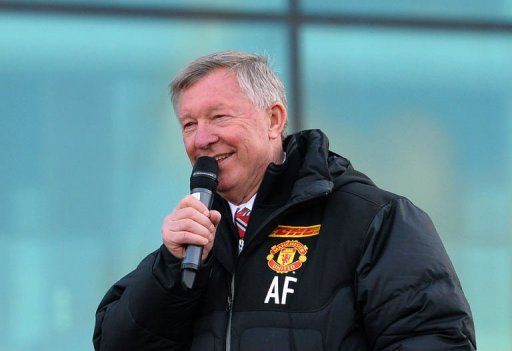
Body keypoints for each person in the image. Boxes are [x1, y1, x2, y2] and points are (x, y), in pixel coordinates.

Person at [93, 51, 476, 350]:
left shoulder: (374, 219)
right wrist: (168, 269)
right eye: (189, 125)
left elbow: (435, 338)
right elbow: (115, 343)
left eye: (219, 117)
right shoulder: (193, 242)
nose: (202, 139)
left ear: (274, 120)